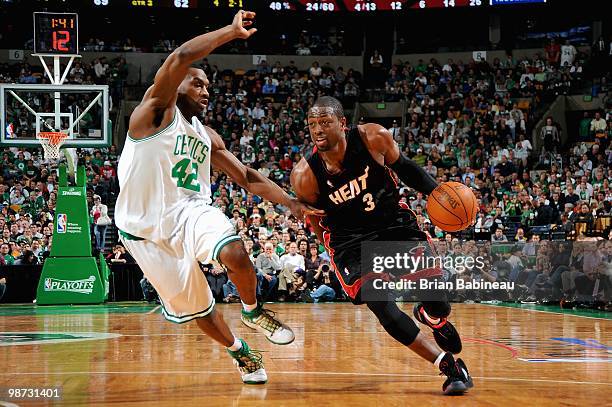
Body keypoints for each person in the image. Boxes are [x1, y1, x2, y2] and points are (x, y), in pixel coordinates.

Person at [114, 11, 322, 385]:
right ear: (176, 86)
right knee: (197, 310)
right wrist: (230, 31)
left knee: (235, 252)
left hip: (191, 213)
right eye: (198, 84)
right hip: (142, 232)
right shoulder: (153, 113)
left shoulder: (207, 135)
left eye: (208, 87)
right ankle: (238, 350)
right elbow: (179, 58)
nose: (206, 92)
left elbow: (246, 176)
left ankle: (253, 310)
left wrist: (291, 204)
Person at [290, 96, 473, 395]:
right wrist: (338, 252)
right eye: (312, 124)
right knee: (381, 304)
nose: (318, 130)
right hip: (351, 241)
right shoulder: (305, 176)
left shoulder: (373, 136)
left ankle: (432, 317)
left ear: (343, 124)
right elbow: (317, 224)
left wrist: (439, 194)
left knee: (437, 300)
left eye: (325, 122)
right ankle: (448, 365)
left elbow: (406, 168)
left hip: (393, 225)